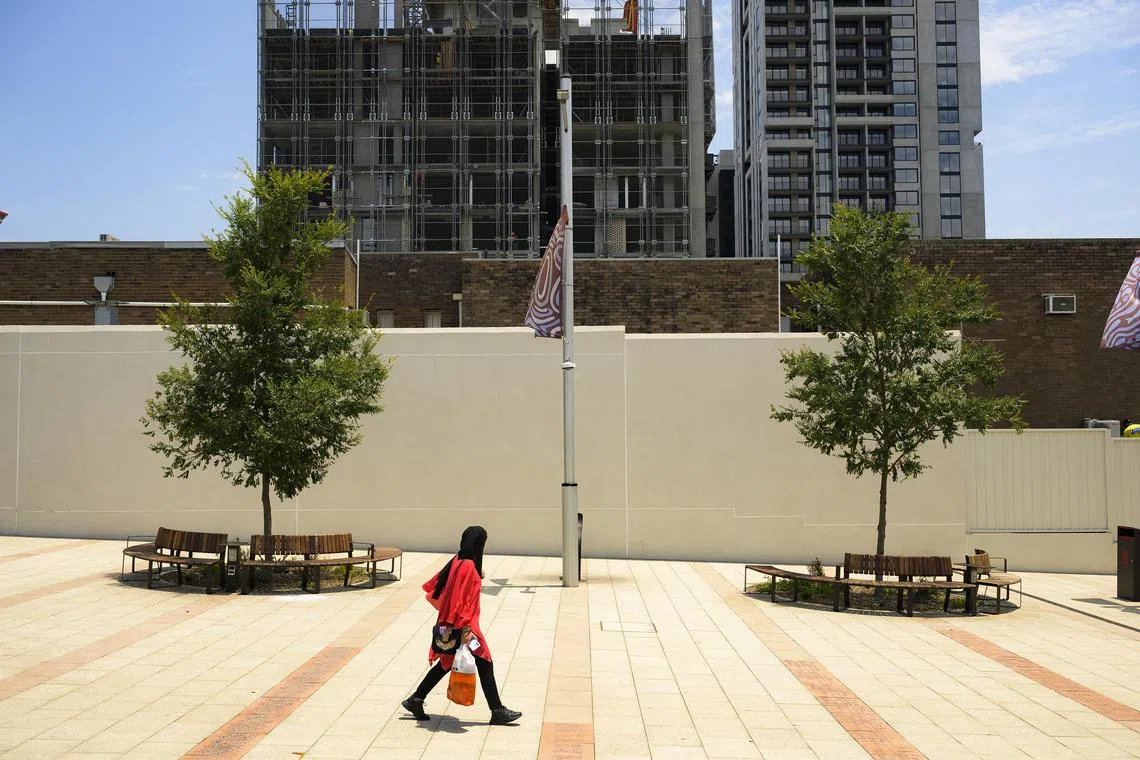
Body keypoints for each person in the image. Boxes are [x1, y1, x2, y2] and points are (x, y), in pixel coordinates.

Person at [402, 526, 522, 725]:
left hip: (454, 624)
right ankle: (497, 711)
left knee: (446, 663)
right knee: (485, 662)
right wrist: (467, 630)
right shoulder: (468, 567)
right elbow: (462, 601)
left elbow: (445, 585)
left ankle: (416, 699)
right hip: (466, 627)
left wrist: (476, 574)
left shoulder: (458, 560)